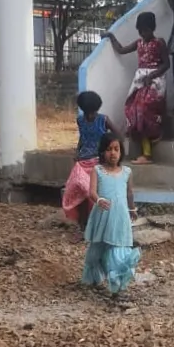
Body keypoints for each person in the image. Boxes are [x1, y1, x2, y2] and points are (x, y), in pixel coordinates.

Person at [101, 11, 169, 164]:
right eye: (141, 31)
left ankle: (150, 146)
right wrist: (111, 36)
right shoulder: (138, 43)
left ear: (153, 28)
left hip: (155, 81)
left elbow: (166, 64)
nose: (143, 33)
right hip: (140, 81)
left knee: (145, 109)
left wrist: (151, 76)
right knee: (133, 108)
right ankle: (145, 145)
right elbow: (121, 50)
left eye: (146, 30)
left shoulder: (159, 43)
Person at [82, 132, 140, 296]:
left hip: (120, 217)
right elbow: (92, 192)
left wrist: (132, 209)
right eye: (108, 149)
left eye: (116, 149)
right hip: (102, 215)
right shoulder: (97, 170)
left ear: (121, 152)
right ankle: (94, 278)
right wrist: (99, 200)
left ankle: (117, 283)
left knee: (118, 247)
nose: (112, 153)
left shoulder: (127, 172)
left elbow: (129, 193)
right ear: (102, 152)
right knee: (97, 247)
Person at [61, 91, 117, 239]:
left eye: (93, 112)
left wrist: (110, 151)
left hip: (99, 162)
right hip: (82, 162)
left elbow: (118, 136)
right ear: (83, 109)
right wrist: (77, 152)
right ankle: (82, 227)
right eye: (87, 112)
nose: (90, 115)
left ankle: (95, 228)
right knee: (77, 192)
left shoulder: (104, 120)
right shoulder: (80, 120)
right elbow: (82, 138)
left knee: (93, 194)